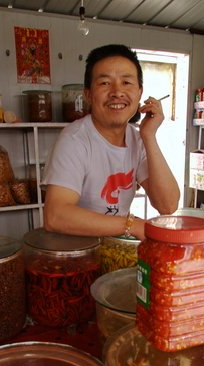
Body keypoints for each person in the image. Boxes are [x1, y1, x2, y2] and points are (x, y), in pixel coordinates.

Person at [43, 44, 180, 239]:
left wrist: (149, 136)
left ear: (140, 93)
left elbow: (167, 205)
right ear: (88, 94)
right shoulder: (74, 139)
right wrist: (132, 225)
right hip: (77, 254)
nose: (117, 92)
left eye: (126, 82)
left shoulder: (137, 138)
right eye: (105, 83)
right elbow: (56, 216)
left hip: (116, 250)